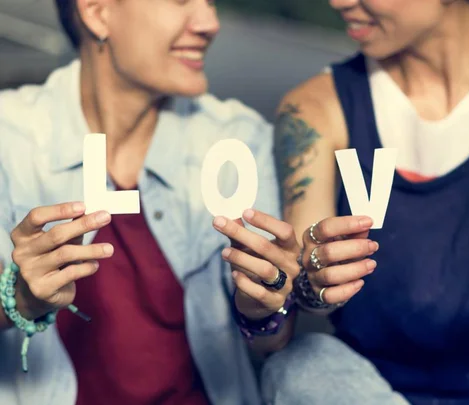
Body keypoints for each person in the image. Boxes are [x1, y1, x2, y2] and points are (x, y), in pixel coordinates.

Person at [262, 0, 469, 404]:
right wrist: (312, 282)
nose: (339, 2)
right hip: (373, 391)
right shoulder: (315, 107)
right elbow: (305, 286)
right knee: (301, 366)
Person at [0, 1, 311, 404]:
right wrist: (19, 298)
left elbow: (274, 342)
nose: (208, 23)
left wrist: (265, 308)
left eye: (210, 2)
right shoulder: (10, 137)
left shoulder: (238, 138)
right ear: (97, 12)